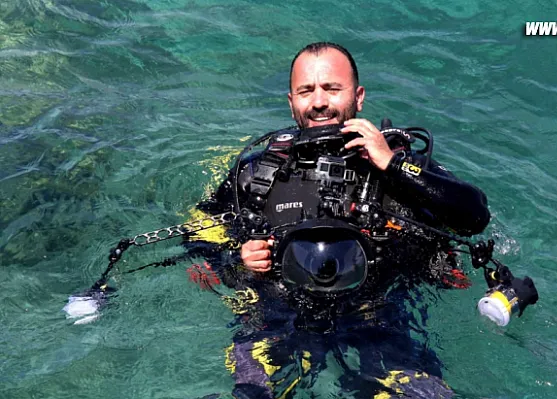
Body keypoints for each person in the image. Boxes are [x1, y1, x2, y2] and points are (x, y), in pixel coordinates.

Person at [187, 42, 491, 399]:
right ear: (291, 101)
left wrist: (389, 164)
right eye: (306, 91)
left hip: (380, 316)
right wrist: (238, 261)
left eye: (332, 89)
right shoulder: (256, 173)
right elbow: (198, 247)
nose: (319, 102)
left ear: (358, 97)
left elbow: (474, 216)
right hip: (275, 315)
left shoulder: (399, 164)